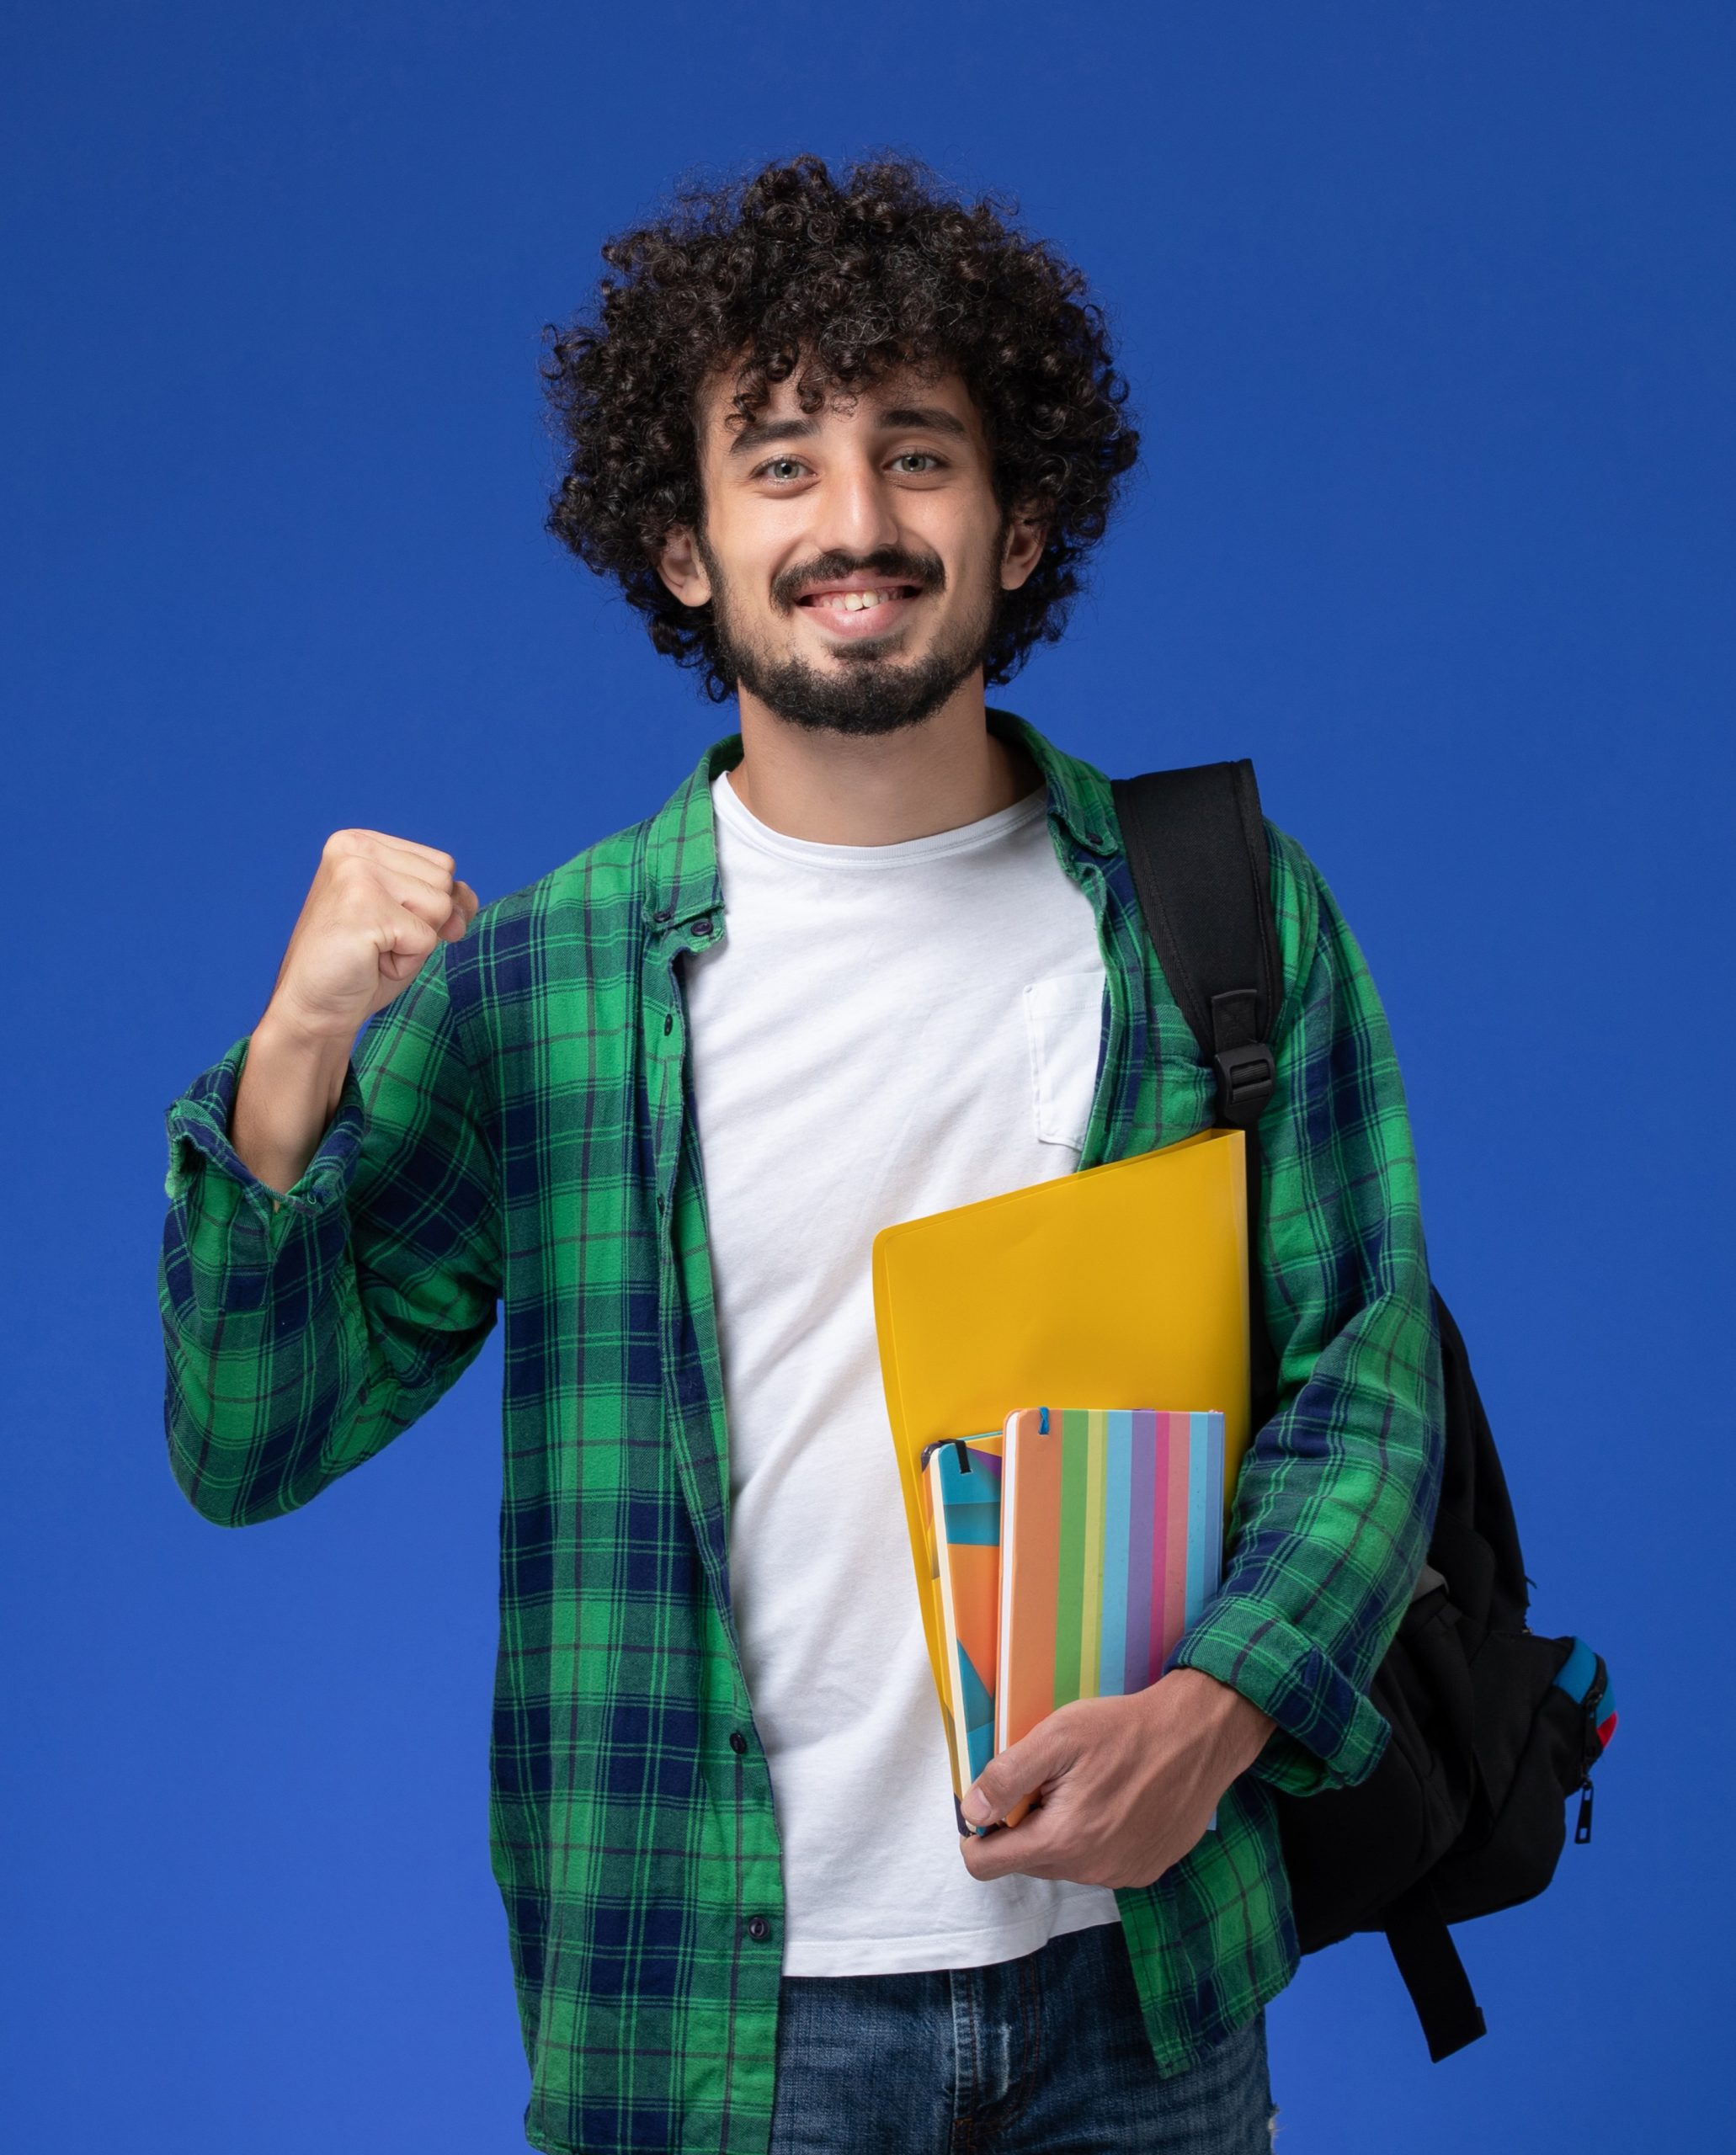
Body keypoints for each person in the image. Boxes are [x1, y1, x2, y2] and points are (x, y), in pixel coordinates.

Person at [158, 152, 1442, 2155]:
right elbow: (248, 1433)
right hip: (705, 2013)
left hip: (1137, 1981)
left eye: (916, 456)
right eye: (779, 465)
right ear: (681, 547)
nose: (856, 523)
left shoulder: (1215, 903)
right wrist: (295, 1046)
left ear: (1020, 524)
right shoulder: (550, 983)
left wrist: (1219, 1713)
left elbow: (1360, 1382)